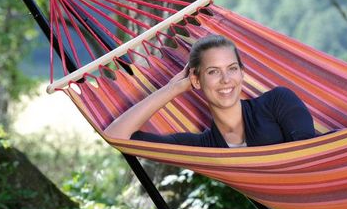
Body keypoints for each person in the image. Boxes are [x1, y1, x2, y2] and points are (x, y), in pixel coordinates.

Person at [104, 34, 316, 148]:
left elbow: (311, 155)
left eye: (232, 69)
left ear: (242, 73)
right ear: (196, 80)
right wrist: (172, 88)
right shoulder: (204, 147)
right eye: (213, 71)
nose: (226, 80)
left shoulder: (277, 102)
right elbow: (116, 135)